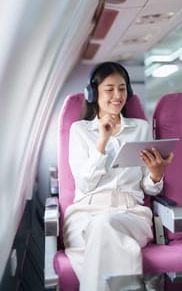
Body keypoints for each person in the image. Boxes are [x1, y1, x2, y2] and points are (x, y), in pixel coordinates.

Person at [63, 61, 173, 291]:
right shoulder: (80, 130)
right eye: (109, 89)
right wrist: (102, 142)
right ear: (94, 93)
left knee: (103, 227)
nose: (117, 95)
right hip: (85, 213)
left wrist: (156, 174)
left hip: (131, 213)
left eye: (122, 88)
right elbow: (85, 183)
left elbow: (150, 189)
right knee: (103, 229)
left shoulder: (140, 128)